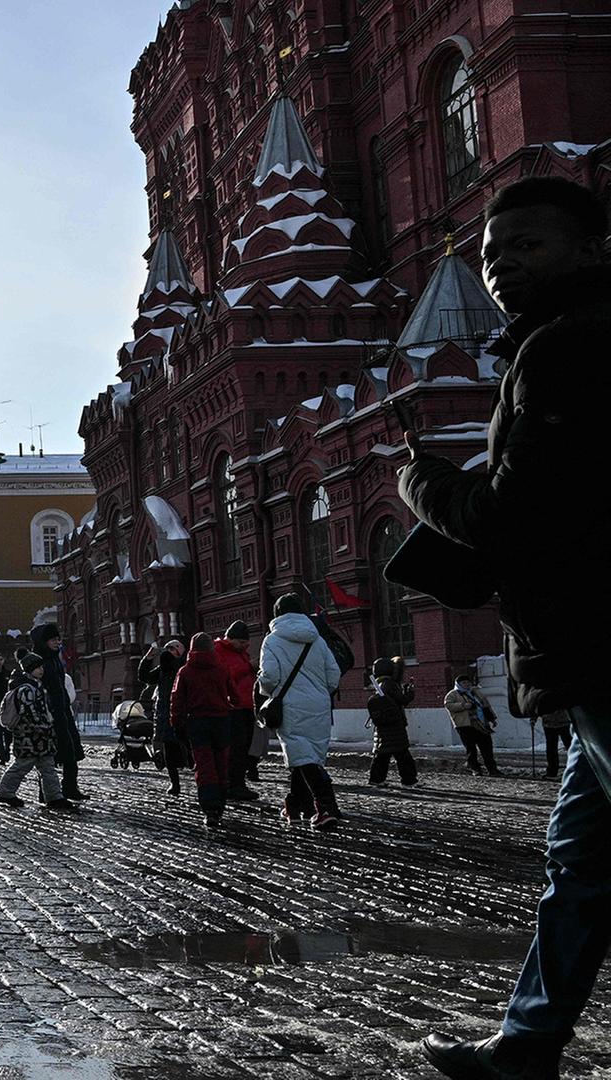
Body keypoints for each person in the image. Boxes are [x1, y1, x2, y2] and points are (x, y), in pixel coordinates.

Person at [402, 177, 611, 1080]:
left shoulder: (568, 348)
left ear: (588, 248)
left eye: (528, 246)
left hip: (604, 645)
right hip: (583, 646)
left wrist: (423, 488)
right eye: (492, 257)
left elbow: (512, 516)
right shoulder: (551, 343)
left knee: (583, 868)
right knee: (579, 868)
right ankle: (527, 1046)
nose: (504, 267)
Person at [256, 594, 343, 830]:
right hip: (319, 705)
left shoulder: (272, 641)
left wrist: (264, 688)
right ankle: (294, 806)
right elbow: (333, 675)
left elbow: (270, 677)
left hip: (291, 706)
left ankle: (326, 809)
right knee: (307, 756)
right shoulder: (317, 640)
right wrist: (319, 692)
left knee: (302, 757)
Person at [170, 632, 240, 830]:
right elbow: (234, 696)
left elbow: (176, 700)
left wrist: (177, 723)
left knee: (204, 765)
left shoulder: (185, 671)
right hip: (221, 721)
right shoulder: (222, 669)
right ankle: (221, 803)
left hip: (197, 723)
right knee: (221, 762)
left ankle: (210, 808)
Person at [0, 651, 74, 811]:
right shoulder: (26, 689)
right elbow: (30, 713)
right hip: (29, 737)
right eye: (37, 667)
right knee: (21, 766)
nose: (41, 670)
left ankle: (54, 797)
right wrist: (44, 727)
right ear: (29, 669)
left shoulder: (36, 686)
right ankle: (5, 793)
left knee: (47, 767)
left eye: (41, 666)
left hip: (40, 737)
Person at [29, 623, 85, 800]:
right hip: (49, 714)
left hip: (63, 711)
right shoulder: (38, 661)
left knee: (71, 752)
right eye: (53, 639)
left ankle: (70, 787)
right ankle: (46, 792)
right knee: (48, 756)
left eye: (58, 639)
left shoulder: (54, 659)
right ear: (44, 641)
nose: (57, 642)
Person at [212, 621, 264, 800]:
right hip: (232, 708)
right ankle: (234, 784)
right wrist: (248, 667)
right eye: (242, 642)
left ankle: (237, 782)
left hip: (246, 706)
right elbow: (224, 675)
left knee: (244, 747)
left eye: (246, 643)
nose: (245, 646)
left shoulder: (240, 653)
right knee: (236, 748)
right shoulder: (218, 651)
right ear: (231, 639)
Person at [137, 640, 187, 795]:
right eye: (167, 649)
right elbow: (144, 677)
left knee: (187, 747)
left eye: (172, 649)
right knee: (169, 749)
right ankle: (174, 783)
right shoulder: (162, 669)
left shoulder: (183, 668)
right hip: (164, 714)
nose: (168, 652)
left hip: (181, 714)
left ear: (180, 652)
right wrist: (147, 658)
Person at [366, 658, 420, 788]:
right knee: (403, 755)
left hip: (382, 725)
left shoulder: (378, 683)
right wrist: (410, 693)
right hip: (394, 725)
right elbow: (402, 700)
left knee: (383, 754)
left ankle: (376, 779)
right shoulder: (389, 684)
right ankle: (409, 780)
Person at [445, 673, 504, 777]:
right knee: (471, 749)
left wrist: (492, 718)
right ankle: (475, 769)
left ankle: (492, 769)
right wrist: (463, 705)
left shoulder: (475, 692)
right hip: (465, 725)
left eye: (468, 682)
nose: (466, 684)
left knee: (487, 748)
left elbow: (485, 705)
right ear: (458, 684)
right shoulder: (453, 694)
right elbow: (448, 705)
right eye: (463, 683)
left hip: (482, 723)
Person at [540, 711, 574, 780]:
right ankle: (577, 768)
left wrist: (533, 718)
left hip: (549, 722)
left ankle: (552, 772)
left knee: (551, 749)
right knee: (570, 747)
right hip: (563, 721)